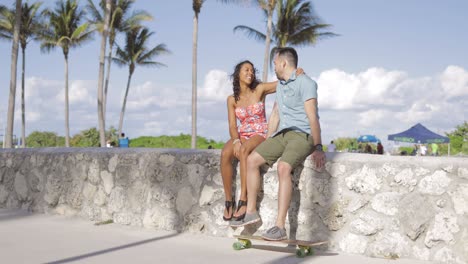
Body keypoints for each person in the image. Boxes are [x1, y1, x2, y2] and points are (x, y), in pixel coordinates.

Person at [230, 47, 326, 241]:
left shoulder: (306, 83)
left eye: (275, 62)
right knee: (252, 160)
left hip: (302, 135)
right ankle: (251, 211)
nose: (273, 65)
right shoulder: (281, 85)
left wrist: (318, 147)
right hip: (282, 134)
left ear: (283, 63)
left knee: (283, 168)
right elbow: (275, 115)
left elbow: (312, 117)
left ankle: (279, 226)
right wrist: (267, 140)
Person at [220, 60, 303, 221]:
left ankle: (243, 200)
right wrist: (236, 140)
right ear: (238, 74)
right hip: (242, 133)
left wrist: (295, 74)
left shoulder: (259, 89)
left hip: (259, 132)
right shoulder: (231, 99)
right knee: (225, 154)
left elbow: (280, 83)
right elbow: (232, 124)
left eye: (252, 70)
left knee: (244, 151)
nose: (250, 73)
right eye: (246, 70)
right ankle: (228, 200)